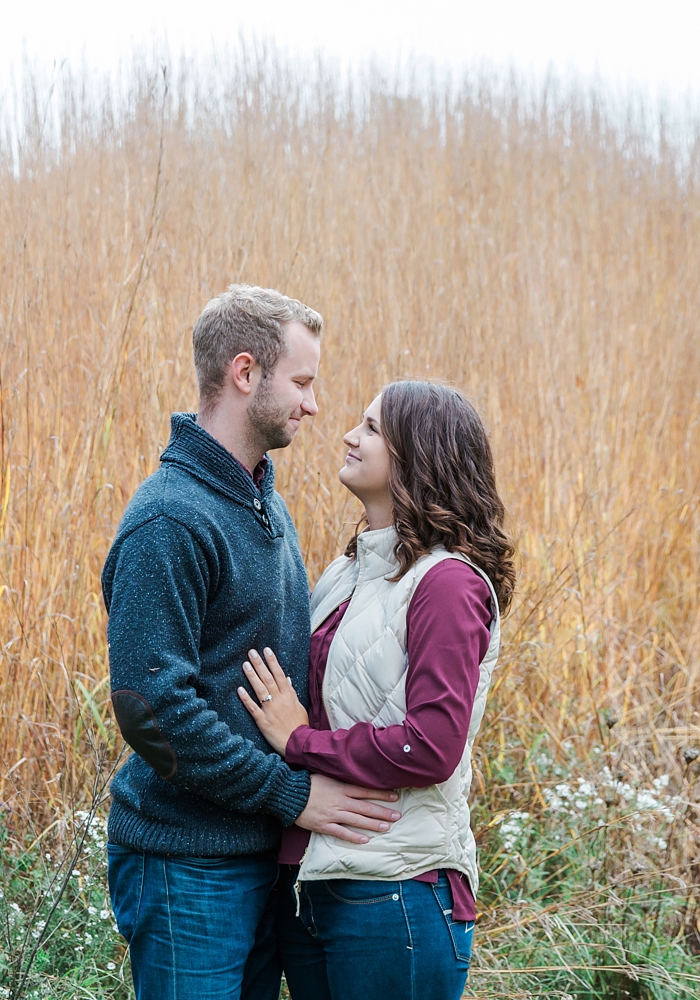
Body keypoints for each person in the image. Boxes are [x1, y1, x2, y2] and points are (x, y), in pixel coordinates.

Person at [102, 285, 403, 1000]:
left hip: (258, 858)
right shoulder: (171, 519)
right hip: (186, 866)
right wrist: (289, 792)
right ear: (245, 373)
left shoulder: (264, 500)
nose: (313, 404)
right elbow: (152, 709)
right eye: (302, 381)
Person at [238, 380, 516, 1000]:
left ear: (420, 456)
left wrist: (300, 741)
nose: (348, 435)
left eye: (370, 428)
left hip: (397, 893)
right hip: (315, 885)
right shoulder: (348, 571)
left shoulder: (447, 584)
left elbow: (433, 746)